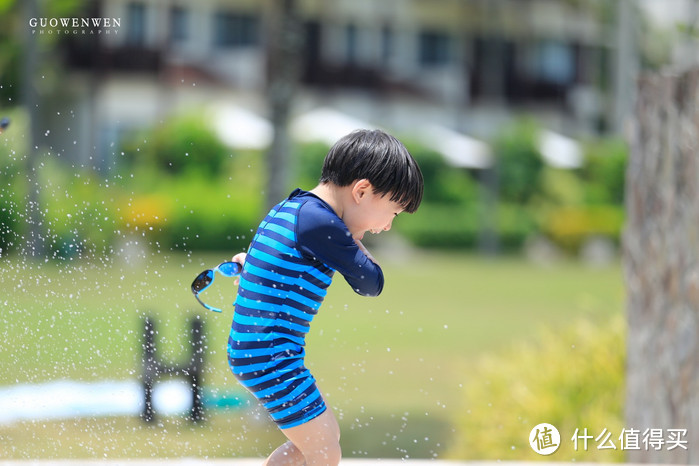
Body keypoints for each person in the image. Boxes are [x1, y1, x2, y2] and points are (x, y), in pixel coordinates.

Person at [227, 129, 423, 465]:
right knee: (324, 452)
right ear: (361, 191)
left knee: (323, 439)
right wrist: (354, 240)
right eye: (393, 212)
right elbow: (370, 282)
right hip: (271, 356)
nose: (388, 226)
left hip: (261, 352)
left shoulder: (290, 208)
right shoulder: (322, 225)